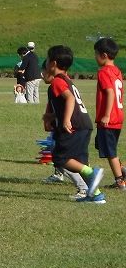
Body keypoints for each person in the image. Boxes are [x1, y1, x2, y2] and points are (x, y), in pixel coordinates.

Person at [42, 45, 105, 204]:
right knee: (79, 161)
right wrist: (50, 116)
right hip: (84, 124)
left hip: (74, 126)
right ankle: (96, 195)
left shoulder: (57, 81)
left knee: (61, 159)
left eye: (48, 60)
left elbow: (70, 99)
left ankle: (92, 172)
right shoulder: (67, 79)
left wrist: (66, 120)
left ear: (53, 63)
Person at [93, 38, 125, 191]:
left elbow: (110, 93)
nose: (95, 57)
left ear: (104, 55)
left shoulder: (104, 72)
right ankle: (122, 171)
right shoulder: (117, 71)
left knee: (110, 152)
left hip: (109, 118)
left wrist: (105, 115)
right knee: (104, 146)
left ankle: (120, 181)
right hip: (118, 116)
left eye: (96, 54)